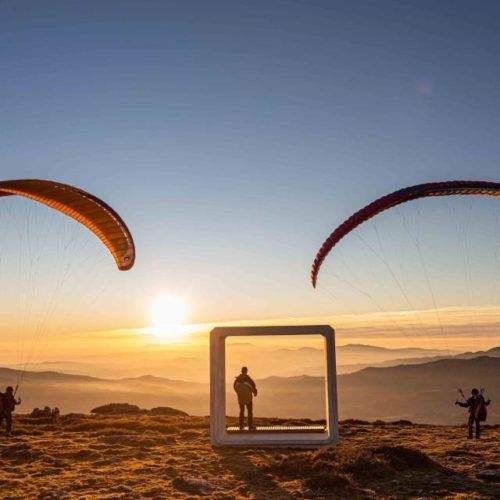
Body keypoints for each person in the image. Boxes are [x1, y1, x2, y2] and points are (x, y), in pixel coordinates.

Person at [233, 366, 257, 431]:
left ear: (241, 371)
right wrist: (255, 392)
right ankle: (250, 426)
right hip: (248, 398)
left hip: (240, 398)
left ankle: (241, 426)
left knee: (241, 411)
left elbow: (234, 387)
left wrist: (239, 393)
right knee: (249, 411)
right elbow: (253, 386)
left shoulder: (237, 379)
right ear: (246, 371)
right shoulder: (248, 379)